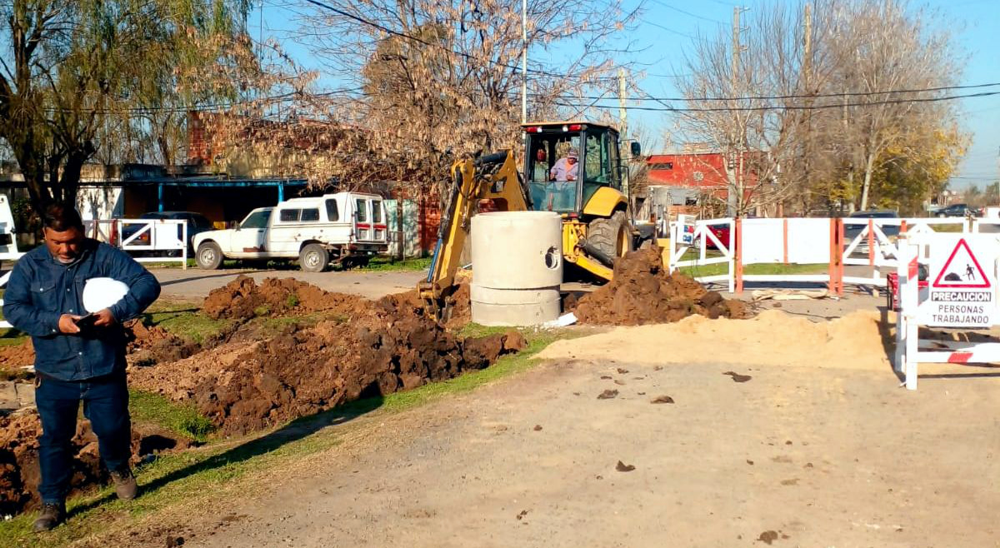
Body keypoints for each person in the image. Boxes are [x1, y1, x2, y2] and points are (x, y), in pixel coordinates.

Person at [3, 203, 161, 532]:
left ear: (83, 232)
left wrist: (117, 311)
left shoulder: (104, 256)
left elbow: (147, 284)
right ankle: (52, 503)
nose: (65, 248)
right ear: (44, 235)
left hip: (103, 367)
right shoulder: (30, 267)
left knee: (113, 429)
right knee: (55, 439)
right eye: (56, 242)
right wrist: (54, 322)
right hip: (55, 371)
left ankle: (119, 467)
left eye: (72, 240)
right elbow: (15, 308)